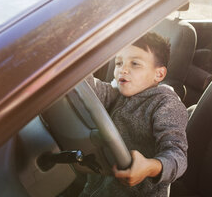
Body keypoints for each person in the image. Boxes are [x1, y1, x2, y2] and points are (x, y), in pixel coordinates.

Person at [79, 32, 188, 197]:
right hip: (96, 189)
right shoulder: (116, 93)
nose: (123, 69)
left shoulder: (166, 105)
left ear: (158, 74)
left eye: (135, 64)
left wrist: (150, 166)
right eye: (119, 62)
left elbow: (177, 155)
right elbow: (85, 86)